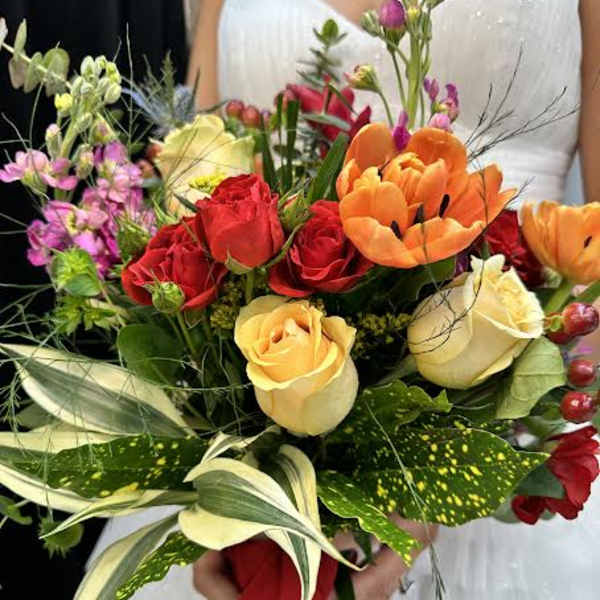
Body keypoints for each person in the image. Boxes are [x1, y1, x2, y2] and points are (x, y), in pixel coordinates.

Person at [91, 1, 600, 598]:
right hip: (259, 460)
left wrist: (447, 470)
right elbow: (189, 190)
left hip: (506, 428)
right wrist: (224, 495)